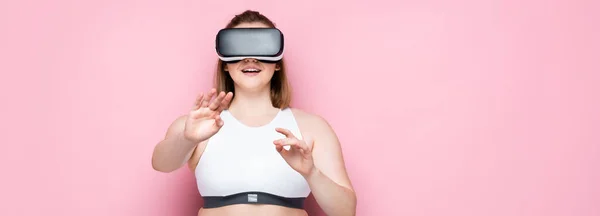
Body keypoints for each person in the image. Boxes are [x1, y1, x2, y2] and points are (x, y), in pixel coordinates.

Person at [151, 10, 356, 216]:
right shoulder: (197, 125)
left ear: (277, 63)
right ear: (225, 64)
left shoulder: (312, 127)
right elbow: (161, 164)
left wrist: (312, 172)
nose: (250, 59)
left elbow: (346, 211)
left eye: (261, 47)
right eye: (239, 49)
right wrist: (187, 139)